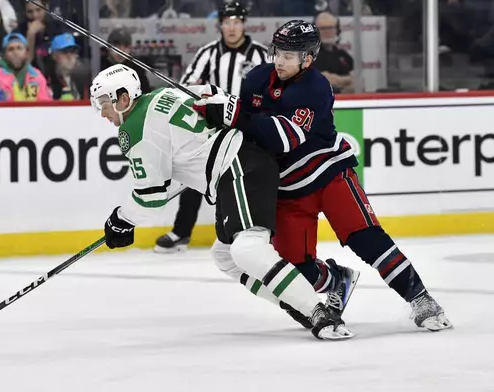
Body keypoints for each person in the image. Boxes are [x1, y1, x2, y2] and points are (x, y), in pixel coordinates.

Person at [194, 20, 452, 332]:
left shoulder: (315, 88)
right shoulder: (256, 79)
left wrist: (233, 114)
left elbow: (282, 137)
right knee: (295, 270)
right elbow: (242, 126)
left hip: (329, 173)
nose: (280, 60)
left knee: (366, 239)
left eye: (290, 56)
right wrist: (215, 107)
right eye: (278, 52)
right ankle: (337, 278)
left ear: (309, 58)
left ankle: (421, 298)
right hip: (286, 187)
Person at [91, 63, 354, 341]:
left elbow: (151, 199)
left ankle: (318, 312)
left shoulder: (134, 128)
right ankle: (296, 304)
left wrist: (121, 219)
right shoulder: (163, 95)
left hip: (237, 167)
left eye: (104, 102)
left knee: (246, 249)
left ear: (124, 98)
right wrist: (125, 219)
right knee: (225, 255)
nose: (102, 112)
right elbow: (170, 178)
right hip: (243, 161)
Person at [155, 1, 267, 253]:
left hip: (251, 128)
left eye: (237, 22)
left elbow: (272, 90)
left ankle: (253, 233)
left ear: (244, 24)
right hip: (216, 129)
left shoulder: (260, 55)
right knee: (196, 177)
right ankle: (181, 232)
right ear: (220, 24)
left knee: (254, 181)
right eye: (227, 22)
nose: (232, 28)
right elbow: (186, 88)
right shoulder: (207, 53)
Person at [0, 32, 50, 101]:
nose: (15, 53)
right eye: (10, 49)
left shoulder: (36, 75)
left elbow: (45, 104)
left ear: (27, 52)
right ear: (4, 55)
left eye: (19, 48)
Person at [13, 0, 64, 72]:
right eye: (30, 12)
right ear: (24, 12)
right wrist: (30, 35)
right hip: (29, 74)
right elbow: (22, 65)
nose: (35, 15)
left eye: (38, 10)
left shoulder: (56, 27)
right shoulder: (19, 31)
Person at [312, 11, 354, 94]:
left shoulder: (343, 55)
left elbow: (358, 81)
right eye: (323, 28)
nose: (327, 32)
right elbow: (322, 80)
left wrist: (337, 80)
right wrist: (347, 81)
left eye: (330, 28)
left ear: (337, 30)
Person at [100, 27, 151, 94]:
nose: (121, 50)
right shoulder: (99, 65)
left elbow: (146, 94)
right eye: (117, 45)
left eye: (126, 45)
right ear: (108, 47)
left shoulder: (137, 68)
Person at [46, 32, 88, 100]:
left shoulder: (86, 78)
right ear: (54, 55)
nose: (70, 57)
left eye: (73, 52)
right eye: (64, 52)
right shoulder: (47, 80)